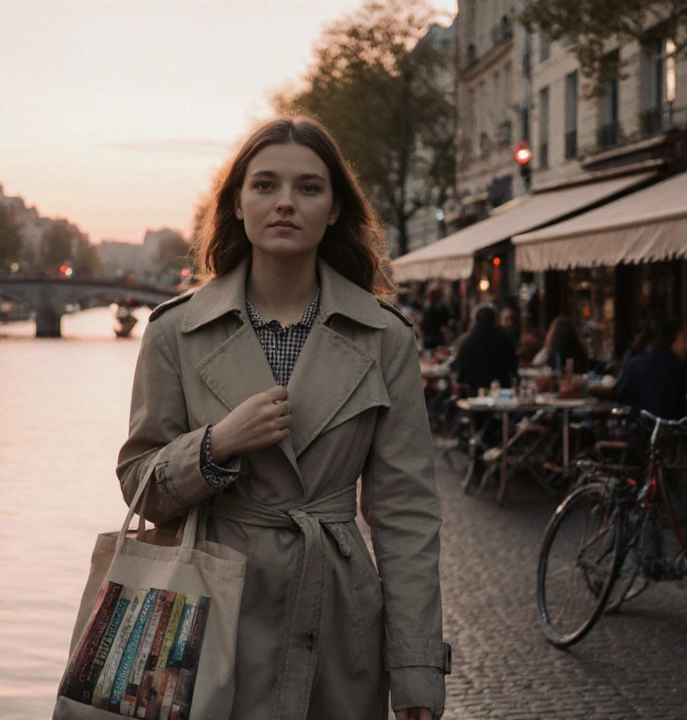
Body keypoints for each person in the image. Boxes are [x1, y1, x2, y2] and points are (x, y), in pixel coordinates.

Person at [116, 116, 449, 720]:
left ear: (334, 210)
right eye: (265, 185)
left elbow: (406, 515)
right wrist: (215, 446)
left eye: (309, 188)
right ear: (237, 205)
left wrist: (417, 669)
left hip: (340, 618)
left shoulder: (385, 338)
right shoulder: (175, 331)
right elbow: (139, 484)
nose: (285, 204)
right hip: (208, 616)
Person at [614, 317, 687, 420]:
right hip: (670, 430)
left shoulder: (635, 363)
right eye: (684, 341)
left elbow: (620, 394)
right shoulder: (679, 366)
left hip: (641, 427)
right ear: (672, 340)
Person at [452, 303, 517, 394]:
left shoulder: (466, 342)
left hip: (474, 395)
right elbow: (513, 368)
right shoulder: (505, 340)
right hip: (501, 394)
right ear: (495, 320)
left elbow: (460, 375)